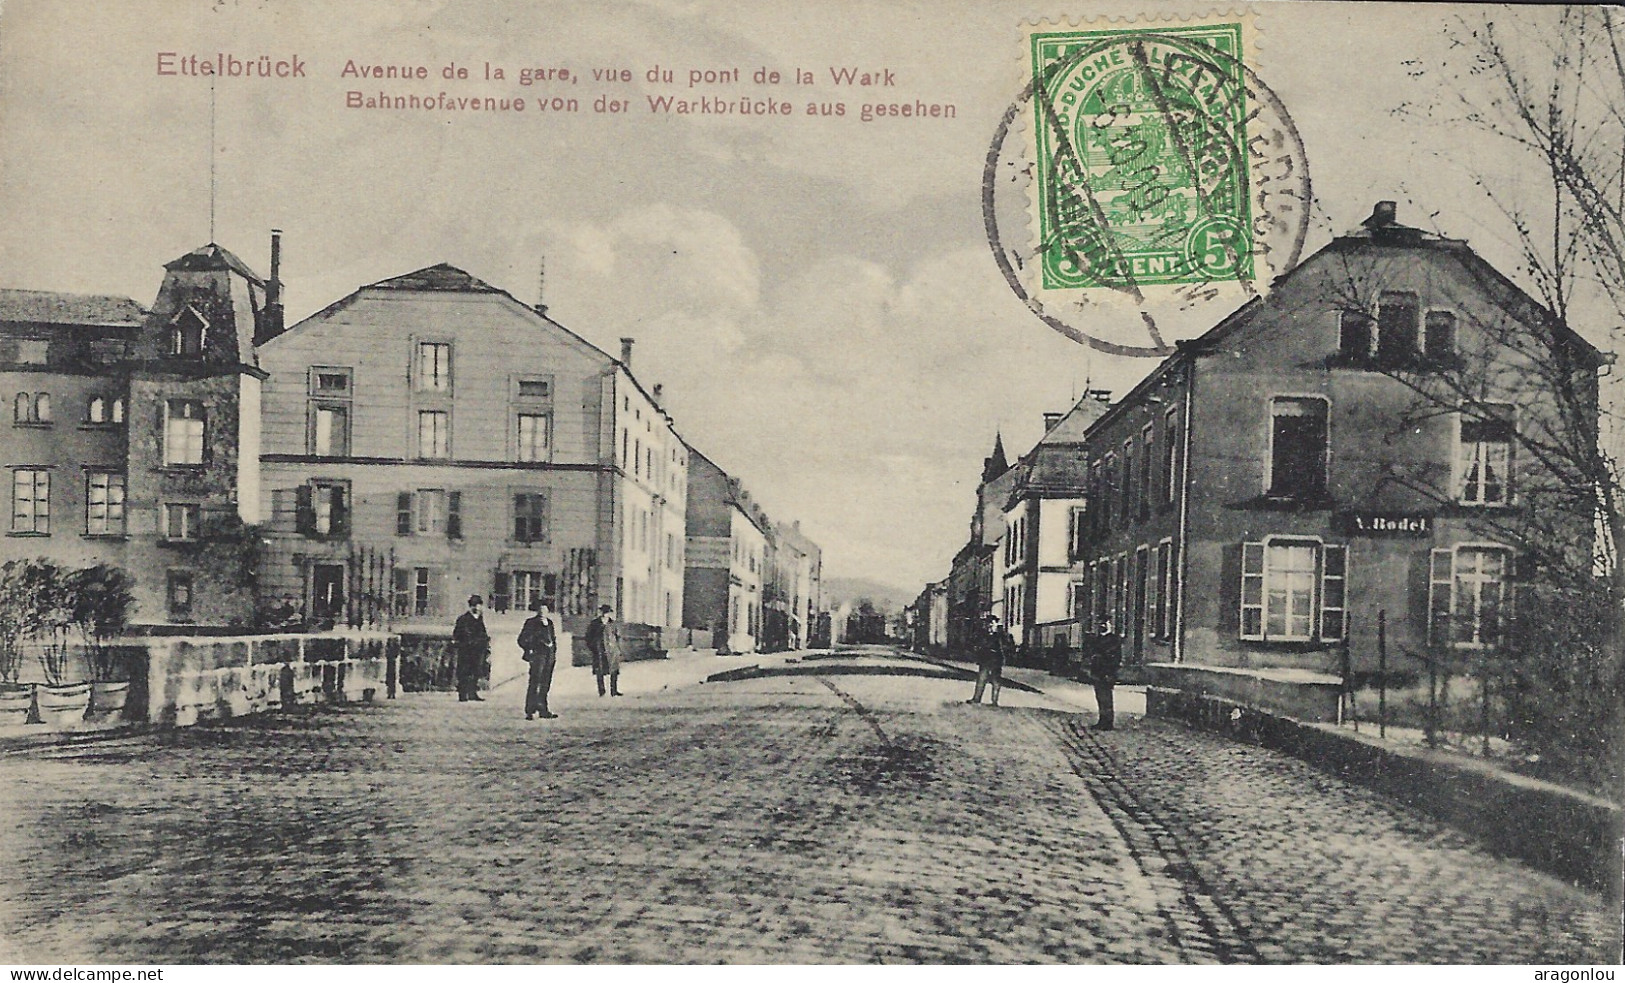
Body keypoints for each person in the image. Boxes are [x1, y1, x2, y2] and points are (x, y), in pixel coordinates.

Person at [518, 598, 560, 720]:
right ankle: (530, 711)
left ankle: (543, 709)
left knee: (546, 683)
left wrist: (553, 650)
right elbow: (522, 640)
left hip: (549, 656)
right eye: (540, 609)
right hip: (538, 655)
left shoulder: (550, 623)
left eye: (545, 609)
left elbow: (553, 638)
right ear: (537, 610)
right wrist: (533, 646)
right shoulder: (531, 623)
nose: (543, 611)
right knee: (535, 682)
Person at [966, 613, 1014, 707]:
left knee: (996, 680)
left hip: (996, 659)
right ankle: (976, 699)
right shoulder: (983, 634)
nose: (989, 625)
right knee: (981, 678)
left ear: (996, 623)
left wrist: (1005, 652)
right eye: (988, 623)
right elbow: (976, 643)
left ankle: (994, 701)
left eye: (992, 623)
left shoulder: (1001, 634)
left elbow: (1008, 645)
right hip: (985, 659)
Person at [452, 594, 490, 702]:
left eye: (478, 605)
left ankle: (473, 693)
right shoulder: (463, 619)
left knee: (476, 671)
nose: (477, 608)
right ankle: (463, 694)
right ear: (470, 606)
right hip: (466, 650)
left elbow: (483, 633)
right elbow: (458, 634)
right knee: (464, 671)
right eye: (474, 605)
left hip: (478, 651)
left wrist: (485, 642)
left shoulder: (480, 619)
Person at [1089, 619, 1124, 730]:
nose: (1102, 626)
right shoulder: (1097, 639)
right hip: (1098, 673)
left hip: (1107, 673)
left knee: (1107, 698)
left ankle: (1108, 722)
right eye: (1100, 625)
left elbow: (1115, 657)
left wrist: (1111, 672)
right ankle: (1101, 720)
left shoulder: (1113, 640)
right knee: (1100, 697)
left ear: (1109, 626)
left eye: (1105, 624)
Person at [584, 605, 622, 697]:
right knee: (599, 671)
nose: (606, 614)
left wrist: (617, 649)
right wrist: (593, 647)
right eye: (604, 612)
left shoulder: (613, 624)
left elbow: (618, 636)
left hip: (611, 651)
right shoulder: (595, 623)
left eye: (608, 612)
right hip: (599, 650)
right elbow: (588, 636)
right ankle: (602, 691)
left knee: (614, 670)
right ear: (601, 612)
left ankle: (614, 690)